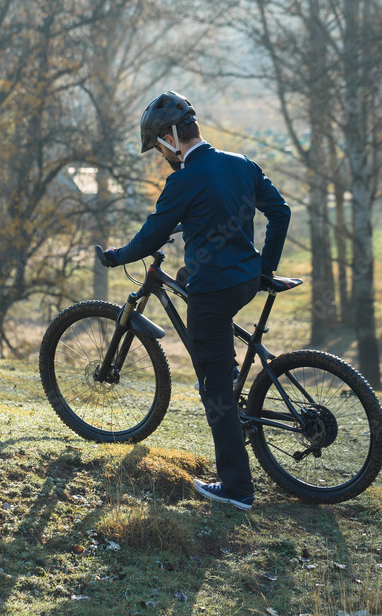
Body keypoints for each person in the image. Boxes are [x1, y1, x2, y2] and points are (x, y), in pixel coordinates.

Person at [99, 91, 290, 511]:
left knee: (214, 385)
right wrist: (265, 270)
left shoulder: (183, 180)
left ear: (170, 137)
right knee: (188, 277)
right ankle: (230, 375)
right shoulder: (242, 164)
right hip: (245, 279)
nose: (161, 155)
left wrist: (116, 257)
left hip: (214, 294)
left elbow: (151, 236)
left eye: (158, 146)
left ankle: (237, 488)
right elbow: (281, 212)